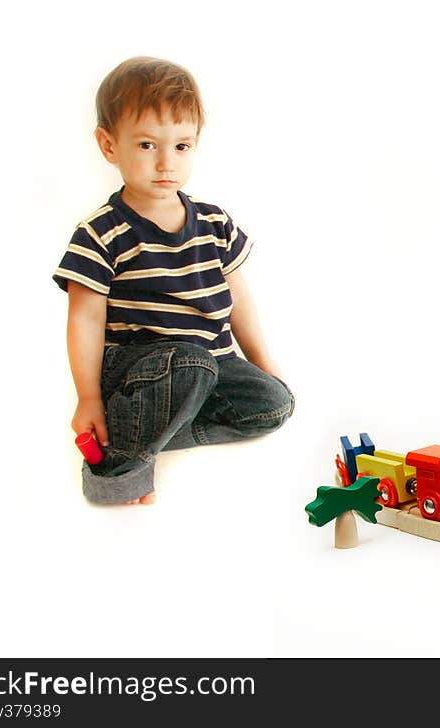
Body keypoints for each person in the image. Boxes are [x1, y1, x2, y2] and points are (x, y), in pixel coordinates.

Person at [53, 56, 294, 505]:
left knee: (274, 403)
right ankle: (118, 469)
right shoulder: (102, 233)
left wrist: (260, 358)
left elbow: (237, 295)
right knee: (190, 364)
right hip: (139, 369)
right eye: (147, 145)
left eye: (182, 146)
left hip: (209, 362)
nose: (166, 162)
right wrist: (88, 397)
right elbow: (84, 319)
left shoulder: (213, 221)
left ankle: (145, 434)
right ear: (109, 145)